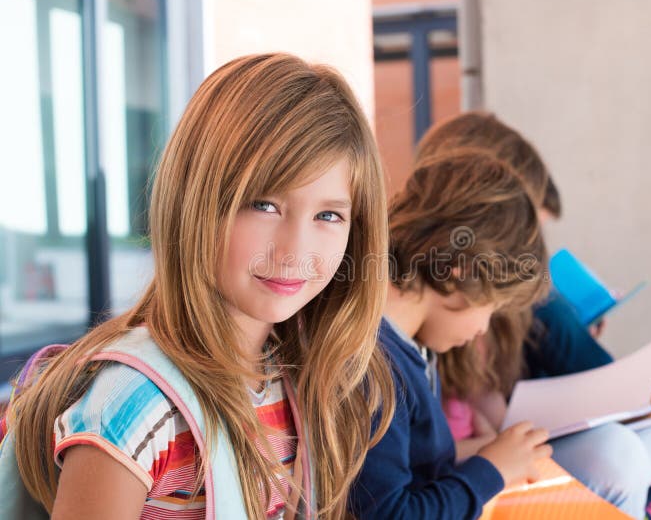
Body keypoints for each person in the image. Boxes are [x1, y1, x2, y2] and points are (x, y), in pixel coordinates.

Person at [1, 53, 395, 520]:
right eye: (263, 205)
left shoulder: (290, 376)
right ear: (195, 202)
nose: (295, 250)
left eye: (328, 215)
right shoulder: (136, 403)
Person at [418, 110, 651, 520]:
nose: (530, 250)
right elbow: (441, 460)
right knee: (619, 455)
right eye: (523, 230)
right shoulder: (443, 327)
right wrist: (498, 447)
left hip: (516, 445)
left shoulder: (473, 317)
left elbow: (491, 417)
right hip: (498, 467)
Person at [349, 149, 553, 519]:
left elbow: (421, 465)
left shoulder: (412, 347)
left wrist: (494, 455)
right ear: (461, 274)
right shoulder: (374, 366)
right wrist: (490, 471)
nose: (483, 329)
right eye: (490, 307)